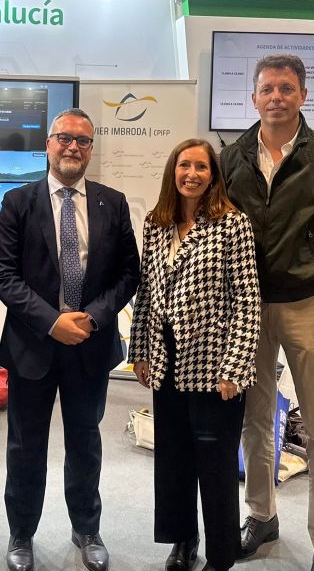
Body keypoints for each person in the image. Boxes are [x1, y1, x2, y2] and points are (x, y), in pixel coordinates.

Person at [219, 55, 314, 571]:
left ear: (303, 95)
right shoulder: (231, 157)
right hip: (247, 310)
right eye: (267, 89)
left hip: (310, 304)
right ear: (253, 98)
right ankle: (261, 516)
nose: (276, 97)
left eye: (286, 88)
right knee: (255, 420)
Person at [0, 108, 140, 571]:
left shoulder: (113, 203)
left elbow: (128, 273)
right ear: (48, 145)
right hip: (32, 345)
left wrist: (92, 318)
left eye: (83, 140)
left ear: (91, 149)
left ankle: (86, 528)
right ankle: (21, 533)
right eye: (64, 138)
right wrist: (52, 321)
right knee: (25, 446)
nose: (73, 146)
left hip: (90, 346)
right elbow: (3, 275)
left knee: (85, 442)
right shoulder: (18, 201)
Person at [129, 139, 261, 571]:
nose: (192, 174)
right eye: (184, 165)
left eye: (201, 167)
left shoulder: (232, 224)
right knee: (173, 459)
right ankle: (183, 541)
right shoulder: (156, 223)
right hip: (165, 360)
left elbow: (247, 300)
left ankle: (221, 554)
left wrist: (235, 367)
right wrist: (140, 351)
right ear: (173, 171)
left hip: (213, 364)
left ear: (213, 175)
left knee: (215, 463)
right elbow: (146, 292)